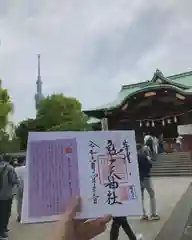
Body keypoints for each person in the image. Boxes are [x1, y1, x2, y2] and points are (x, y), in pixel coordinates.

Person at [137, 144, 160, 221]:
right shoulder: (143, 156)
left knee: (141, 197)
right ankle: (153, 214)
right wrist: (148, 157)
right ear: (141, 148)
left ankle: (143, 214)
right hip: (146, 177)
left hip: (138, 178)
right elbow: (149, 165)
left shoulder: (132, 156)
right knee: (152, 195)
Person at [0, 155, 18, 239]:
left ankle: (3, 229)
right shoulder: (9, 168)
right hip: (5, 195)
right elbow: (13, 180)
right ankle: (2, 231)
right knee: (5, 213)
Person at [15, 157, 26, 222]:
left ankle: (19, 215)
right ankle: (26, 216)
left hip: (17, 186)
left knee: (19, 202)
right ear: (23, 161)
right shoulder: (25, 168)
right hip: (24, 186)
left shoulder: (15, 169)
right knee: (25, 202)